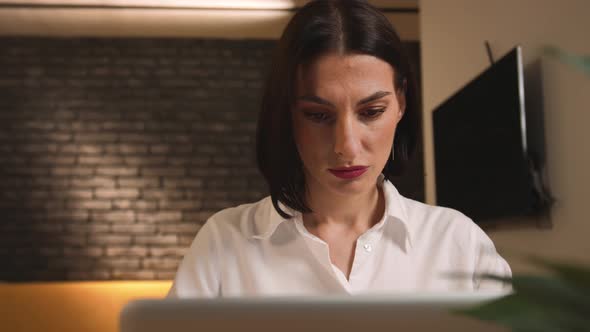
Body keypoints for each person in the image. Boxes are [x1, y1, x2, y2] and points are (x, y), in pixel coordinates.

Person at [167, 0, 511, 298]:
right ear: (286, 113)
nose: (346, 146)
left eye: (371, 112)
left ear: (401, 103)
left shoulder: (457, 242)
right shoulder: (224, 242)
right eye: (318, 115)